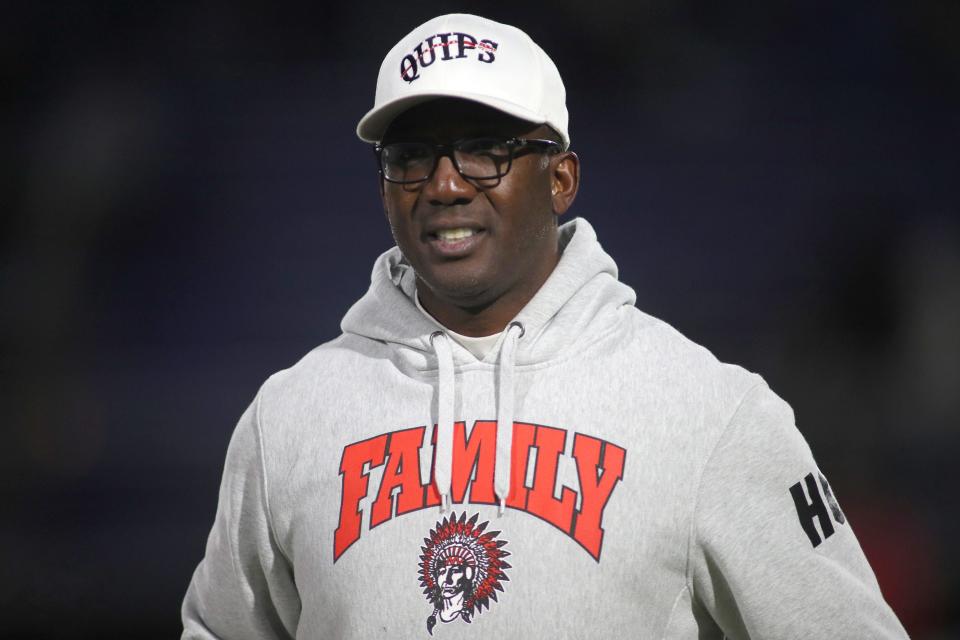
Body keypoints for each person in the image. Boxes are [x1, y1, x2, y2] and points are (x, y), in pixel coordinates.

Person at [182, 13, 908, 639]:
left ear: (560, 179)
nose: (443, 184)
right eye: (410, 157)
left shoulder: (710, 414)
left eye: (483, 150)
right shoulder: (288, 419)